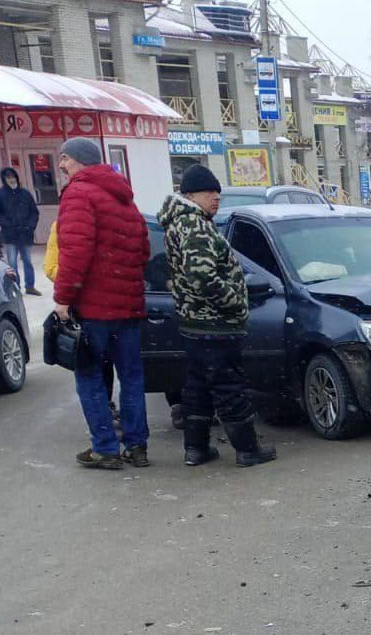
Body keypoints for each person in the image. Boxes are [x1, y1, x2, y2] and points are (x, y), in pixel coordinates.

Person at [158, 164, 275, 468]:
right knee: (228, 386)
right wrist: (235, 303)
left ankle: (196, 449)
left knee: (197, 386)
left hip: (195, 323)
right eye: (209, 192)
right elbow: (203, 278)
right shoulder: (195, 226)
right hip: (215, 323)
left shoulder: (180, 223)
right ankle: (248, 450)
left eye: (218, 192)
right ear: (191, 194)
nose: (216, 197)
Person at [53, 137, 151, 470]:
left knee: (89, 375)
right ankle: (137, 447)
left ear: (77, 160)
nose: (61, 166)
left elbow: (74, 253)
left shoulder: (78, 194)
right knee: (132, 377)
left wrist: (63, 298)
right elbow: (143, 251)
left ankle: (106, 448)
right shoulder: (125, 198)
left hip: (94, 310)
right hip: (129, 307)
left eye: (64, 159)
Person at [46, 219, 120, 425]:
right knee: (93, 362)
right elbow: (51, 267)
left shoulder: (107, 221)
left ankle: (108, 416)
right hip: (82, 308)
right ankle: (104, 410)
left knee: (109, 360)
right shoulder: (60, 226)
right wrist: (77, 280)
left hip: (112, 304)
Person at [0, 167, 41, 295]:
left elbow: (34, 212)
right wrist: (8, 225)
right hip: (10, 235)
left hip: (25, 234)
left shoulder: (25, 193)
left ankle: (30, 286)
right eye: (8, 177)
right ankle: (16, 287)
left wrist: (30, 226)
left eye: (13, 177)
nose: (11, 180)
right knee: (12, 263)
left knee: (27, 261)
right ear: (4, 179)